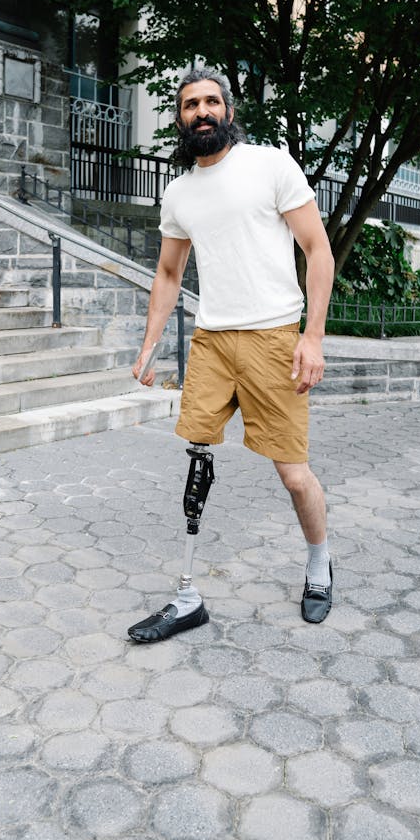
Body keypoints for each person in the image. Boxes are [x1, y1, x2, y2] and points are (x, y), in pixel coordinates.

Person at [127, 67, 335, 643]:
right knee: (198, 457)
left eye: (211, 101)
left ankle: (318, 565)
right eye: (191, 104)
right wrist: (149, 344)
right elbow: (169, 272)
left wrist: (312, 336)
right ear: (179, 118)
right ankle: (187, 596)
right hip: (212, 342)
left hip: (273, 338)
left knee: (293, 475)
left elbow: (318, 249)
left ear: (228, 110)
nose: (202, 111)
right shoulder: (179, 193)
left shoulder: (269, 165)